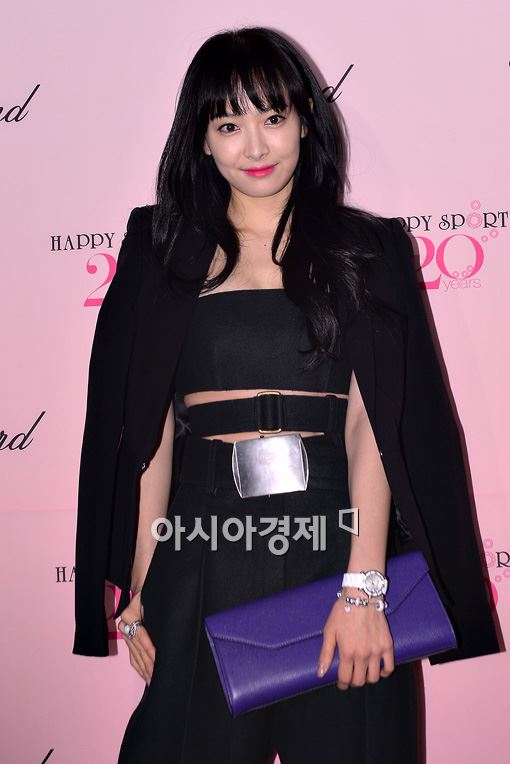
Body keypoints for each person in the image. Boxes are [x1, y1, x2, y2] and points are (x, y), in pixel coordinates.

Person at [72, 25, 500, 764]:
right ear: (201, 139)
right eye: (228, 125)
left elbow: (375, 424)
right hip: (201, 545)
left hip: (337, 542)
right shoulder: (159, 247)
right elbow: (148, 430)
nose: (255, 146)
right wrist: (140, 583)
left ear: (305, 120)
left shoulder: (368, 248)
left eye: (273, 117)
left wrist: (364, 588)